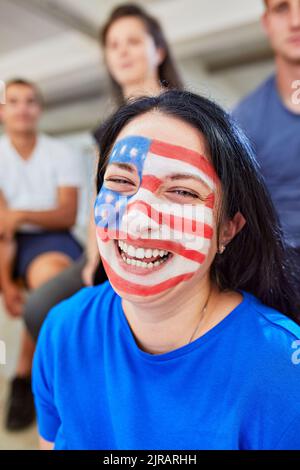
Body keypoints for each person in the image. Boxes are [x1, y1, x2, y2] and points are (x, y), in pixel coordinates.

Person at [33, 90, 300, 450]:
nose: (137, 219)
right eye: (121, 182)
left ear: (228, 228)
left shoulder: (281, 370)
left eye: (183, 192)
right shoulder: (63, 329)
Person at [23, 3, 182, 341]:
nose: (123, 52)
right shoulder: (105, 131)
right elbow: (101, 199)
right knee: (41, 310)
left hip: (162, 241)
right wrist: (94, 259)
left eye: (133, 42)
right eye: (114, 45)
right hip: (110, 243)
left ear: (159, 50)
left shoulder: (183, 117)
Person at [0, 79, 83, 430]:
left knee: (58, 295)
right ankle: (49, 384)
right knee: (51, 290)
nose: (22, 108)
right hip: (13, 243)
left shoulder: (61, 152)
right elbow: (3, 231)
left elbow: (66, 213)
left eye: (30, 101)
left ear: (39, 109)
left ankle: (24, 372)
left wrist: (20, 214)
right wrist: (6, 285)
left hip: (59, 236)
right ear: (3, 111)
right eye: (13, 101)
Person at [233, 0, 300, 258]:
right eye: (282, 8)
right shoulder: (242, 122)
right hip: (282, 279)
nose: (296, 21)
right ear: (267, 22)